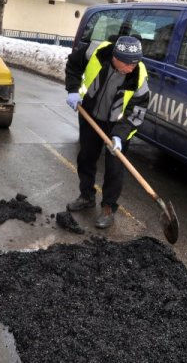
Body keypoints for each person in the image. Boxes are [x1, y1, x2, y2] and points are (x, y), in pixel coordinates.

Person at [64, 36, 150, 229]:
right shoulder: (95, 51)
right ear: (115, 57)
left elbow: (136, 112)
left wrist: (120, 135)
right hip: (91, 115)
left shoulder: (139, 77)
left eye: (136, 62)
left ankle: (108, 208)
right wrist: (72, 89)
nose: (132, 67)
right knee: (86, 157)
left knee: (114, 168)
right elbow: (73, 65)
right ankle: (86, 196)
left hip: (117, 126)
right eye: (128, 63)